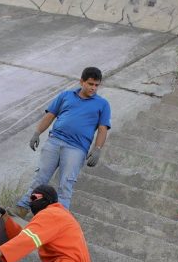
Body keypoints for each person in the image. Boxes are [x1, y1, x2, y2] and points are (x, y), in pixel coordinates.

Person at [10, 67, 111, 216]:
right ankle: (22, 208)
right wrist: (37, 133)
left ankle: (60, 219)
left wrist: (97, 149)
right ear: (81, 81)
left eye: (97, 85)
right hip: (54, 142)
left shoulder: (102, 104)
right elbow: (50, 115)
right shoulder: (65, 96)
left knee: (66, 184)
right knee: (40, 178)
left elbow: (103, 129)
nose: (93, 88)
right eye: (90, 84)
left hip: (76, 149)